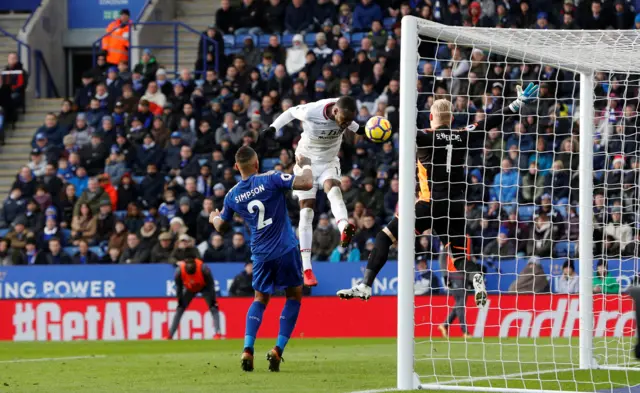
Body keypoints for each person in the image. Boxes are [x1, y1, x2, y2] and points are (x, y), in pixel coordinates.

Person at [337, 83, 540, 302]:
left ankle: (366, 285)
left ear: (431, 118)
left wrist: (377, 119)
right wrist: (516, 104)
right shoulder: (463, 135)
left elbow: (396, 126)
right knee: (459, 256)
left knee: (384, 237)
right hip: (454, 208)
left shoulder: (423, 136)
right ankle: (476, 276)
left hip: (428, 204)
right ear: (451, 119)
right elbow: (489, 122)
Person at [209, 145, 313, 372]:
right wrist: (305, 163)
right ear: (256, 164)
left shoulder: (232, 195)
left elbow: (223, 227)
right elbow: (306, 183)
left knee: (260, 298)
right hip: (285, 249)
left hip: (261, 255)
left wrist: (213, 218)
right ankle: (277, 349)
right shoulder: (272, 178)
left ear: (237, 167)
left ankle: (248, 348)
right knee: (294, 295)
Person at [264, 96, 363, 286]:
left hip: (328, 161)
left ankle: (344, 228)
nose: (345, 125)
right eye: (344, 121)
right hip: (306, 160)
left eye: (349, 121)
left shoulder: (345, 113)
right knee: (307, 210)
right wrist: (273, 128)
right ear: (334, 111)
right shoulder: (312, 111)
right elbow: (291, 111)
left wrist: (365, 130)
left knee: (334, 190)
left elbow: (354, 125)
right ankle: (307, 269)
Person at [167, 258, 223, 340]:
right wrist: (180, 300)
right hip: (189, 288)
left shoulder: (204, 269)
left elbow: (211, 285)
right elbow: (179, 288)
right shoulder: (179, 271)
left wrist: (212, 299)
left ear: (196, 267)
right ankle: (170, 335)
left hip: (204, 287)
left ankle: (218, 333)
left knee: (213, 308)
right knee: (180, 309)